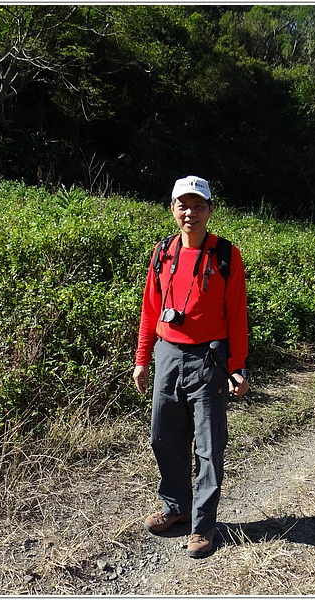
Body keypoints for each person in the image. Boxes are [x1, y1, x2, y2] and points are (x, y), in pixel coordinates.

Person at [133, 175, 249, 559]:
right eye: (183, 205)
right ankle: (176, 508)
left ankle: (203, 526)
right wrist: (142, 359)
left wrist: (237, 366)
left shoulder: (227, 256)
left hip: (208, 359)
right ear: (172, 209)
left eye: (198, 205)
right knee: (163, 437)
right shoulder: (161, 253)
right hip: (167, 355)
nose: (190, 213)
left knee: (208, 446)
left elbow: (236, 315)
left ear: (210, 211)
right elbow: (150, 310)